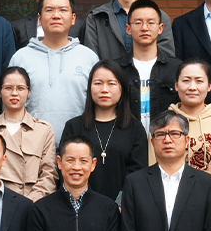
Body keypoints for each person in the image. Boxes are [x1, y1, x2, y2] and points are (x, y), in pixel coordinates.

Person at [9, 0, 96, 126]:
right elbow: (10, 106)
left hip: (79, 138)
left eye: (63, 10)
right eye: (49, 10)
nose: (56, 16)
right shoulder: (21, 58)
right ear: (39, 19)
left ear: (73, 18)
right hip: (31, 137)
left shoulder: (89, 57)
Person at [62, 63, 148, 198]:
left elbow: (138, 174)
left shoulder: (135, 129)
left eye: (111, 84)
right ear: (89, 87)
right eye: (98, 83)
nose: (104, 89)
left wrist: (120, 203)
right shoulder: (74, 127)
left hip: (122, 206)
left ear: (122, 88)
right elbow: (65, 170)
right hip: (80, 203)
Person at [0, 67, 59, 201]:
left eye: (20, 88)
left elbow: (49, 175)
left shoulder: (43, 130)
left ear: (29, 92)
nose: (14, 93)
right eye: (8, 88)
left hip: (32, 204)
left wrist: (27, 204)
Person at [163, 61, 211, 196]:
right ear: (176, 85)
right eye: (186, 81)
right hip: (172, 200)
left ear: (209, 86)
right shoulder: (162, 123)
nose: (192, 87)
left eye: (199, 81)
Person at [109, 0, 181, 129]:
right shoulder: (115, 70)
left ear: (160, 28)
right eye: (138, 23)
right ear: (128, 29)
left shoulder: (176, 69)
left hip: (165, 138)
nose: (144, 28)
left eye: (151, 23)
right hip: (127, 137)